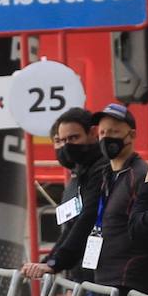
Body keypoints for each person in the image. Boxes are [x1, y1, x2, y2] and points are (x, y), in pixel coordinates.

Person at [76, 102, 148, 296]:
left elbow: (146, 228)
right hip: (100, 280)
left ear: (131, 135)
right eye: (102, 132)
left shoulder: (141, 175)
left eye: (113, 132)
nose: (106, 137)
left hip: (128, 284)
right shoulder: (105, 174)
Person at [21, 108, 106, 283]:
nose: (66, 146)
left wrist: (55, 263)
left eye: (73, 138)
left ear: (92, 134)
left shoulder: (101, 169)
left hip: (105, 270)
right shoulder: (78, 176)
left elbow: (88, 217)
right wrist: (49, 262)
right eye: (60, 141)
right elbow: (70, 227)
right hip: (82, 272)